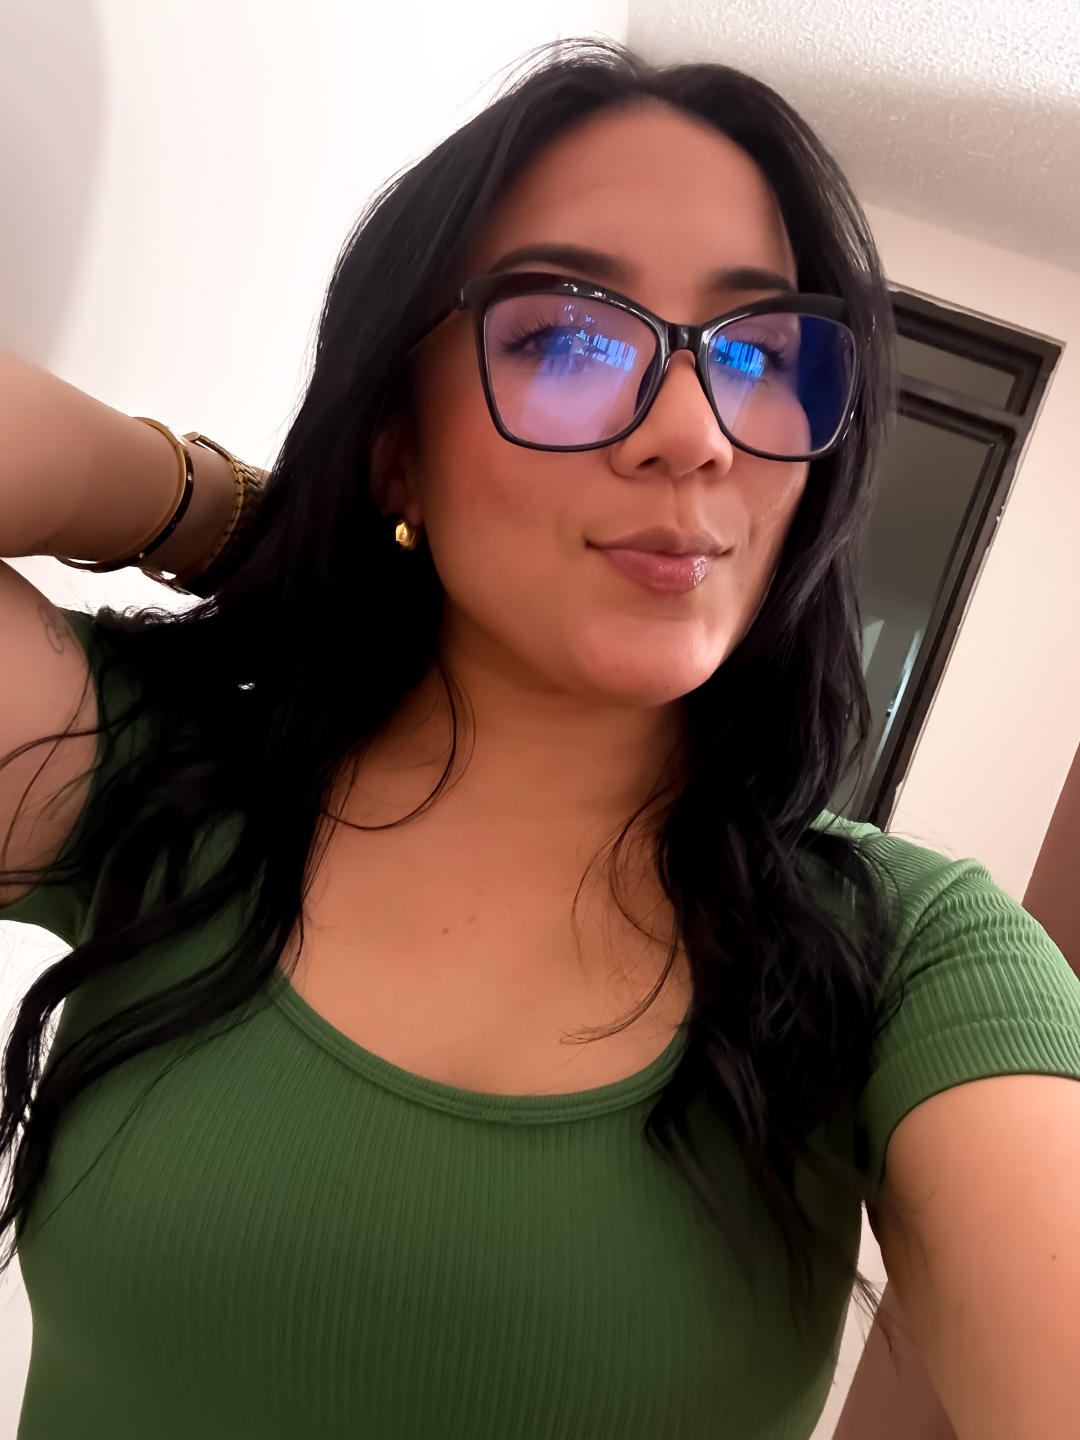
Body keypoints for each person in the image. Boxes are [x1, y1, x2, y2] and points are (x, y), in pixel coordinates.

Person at [1, 38, 1078, 1440]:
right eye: (568, 337)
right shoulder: (157, 779)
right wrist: (247, 522)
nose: (694, 435)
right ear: (398, 440)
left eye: (758, 354)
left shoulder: (909, 954)